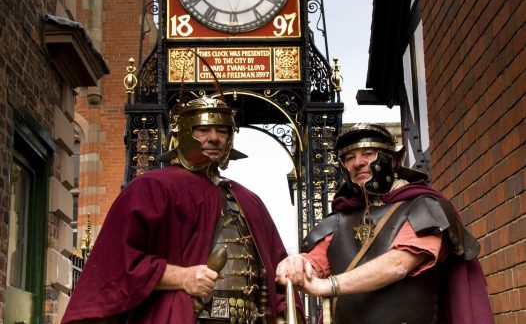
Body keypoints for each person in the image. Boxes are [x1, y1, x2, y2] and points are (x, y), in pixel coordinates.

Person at [62, 96, 302, 323]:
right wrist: (182, 277)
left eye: (222, 130)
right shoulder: (153, 187)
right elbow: (118, 262)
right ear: (182, 133)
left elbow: (277, 269)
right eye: (202, 129)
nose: (214, 137)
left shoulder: (249, 200)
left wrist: (282, 312)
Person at [275, 123, 494, 324]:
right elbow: (314, 263)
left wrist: (330, 285)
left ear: (393, 159)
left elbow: (398, 264)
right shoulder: (338, 221)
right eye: (349, 157)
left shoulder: (424, 207)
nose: (358, 162)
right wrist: (295, 264)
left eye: (368, 154)